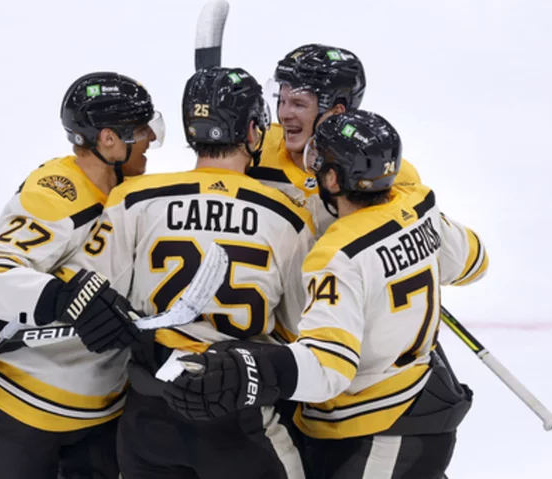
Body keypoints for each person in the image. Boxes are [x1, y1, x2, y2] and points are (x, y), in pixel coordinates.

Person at [165, 110, 487, 479]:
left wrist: (249, 368)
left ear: (333, 179)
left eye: (319, 165)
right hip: (423, 401)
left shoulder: (338, 256)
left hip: (374, 427)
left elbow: (329, 369)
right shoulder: (419, 204)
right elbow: (475, 262)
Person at [77, 66, 314, 479]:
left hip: (148, 420)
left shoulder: (133, 198)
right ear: (254, 133)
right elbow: (300, 329)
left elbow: (91, 294)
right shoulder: (290, 217)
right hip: (239, 414)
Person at [0, 71, 164, 478]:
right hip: (20, 415)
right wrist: (62, 297)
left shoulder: (141, 193)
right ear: (109, 140)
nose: (152, 140)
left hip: (103, 420)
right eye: (142, 130)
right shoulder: (57, 193)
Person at [250, 43, 422, 237]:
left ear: (336, 112)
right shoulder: (254, 145)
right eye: (281, 101)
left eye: (298, 104)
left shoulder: (384, 173)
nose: (284, 114)